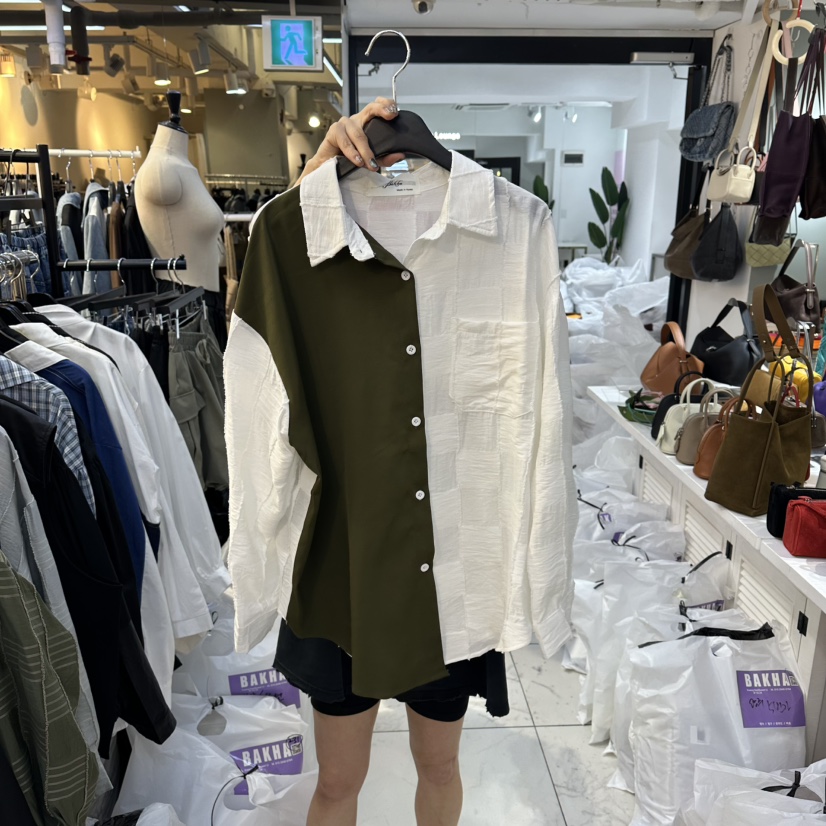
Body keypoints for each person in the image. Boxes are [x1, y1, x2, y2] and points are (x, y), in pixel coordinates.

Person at [294, 96, 469, 826]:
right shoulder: (302, 241)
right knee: (338, 781)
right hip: (345, 558)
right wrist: (309, 184)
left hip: (448, 562)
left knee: (441, 764)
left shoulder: (495, 238)